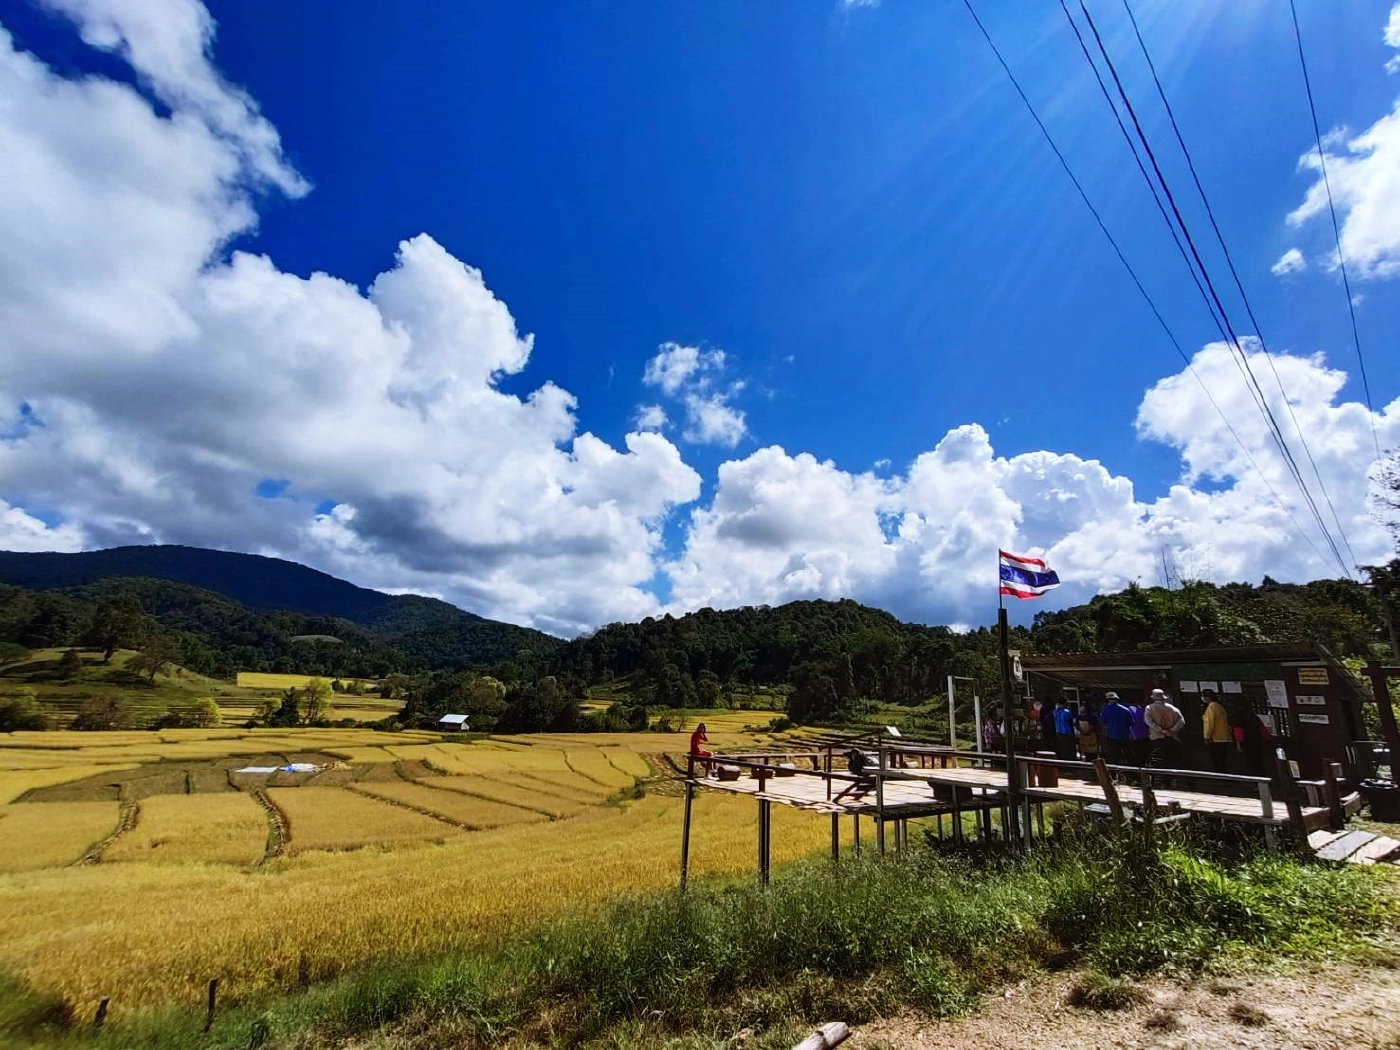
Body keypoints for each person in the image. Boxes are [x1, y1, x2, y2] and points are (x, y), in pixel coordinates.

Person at [1144, 688, 1186, 771]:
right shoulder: (1173, 708)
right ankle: (1176, 780)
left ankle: (1163, 780)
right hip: (1172, 737)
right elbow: (1182, 722)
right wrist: (1172, 730)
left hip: (1157, 738)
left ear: (1153, 698)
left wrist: (1160, 730)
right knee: (1174, 760)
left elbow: (1148, 721)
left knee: (1160, 760)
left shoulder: (1149, 708)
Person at [1201, 688, 1232, 774]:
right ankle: (1224, 776)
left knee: (1217, 759)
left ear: (1207, 697)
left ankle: (1221, 777)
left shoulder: (1212, 707)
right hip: (1223, 736)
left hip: (1216, 737)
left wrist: (1207, 736)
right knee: (1222, 759)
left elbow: (1210, 723)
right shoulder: (1219, 706)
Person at [1099, 691, 1133, 767]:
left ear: (1108, 700)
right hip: (1125, 736)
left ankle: (1115, 773)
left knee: (1114, 757)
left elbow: (1103, 721)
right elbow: (1131, 722)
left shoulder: (1106, 710)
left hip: (1112, 736)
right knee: (1129, 755)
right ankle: (1133, 773)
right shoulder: (1126, 710)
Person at [1052, 696, 1077, 763]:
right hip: (1067, 733)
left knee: (1061, 750)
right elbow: (1070, 723)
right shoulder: (1067, 712)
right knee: (1069, 751)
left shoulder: (1055, 712)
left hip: (1058, 732)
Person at [1127, 698, 1151, 767]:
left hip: (1135, 736)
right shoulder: (1143, 710)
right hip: (1145, 735)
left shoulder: (1129, 710)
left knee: (1138, 755)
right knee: (1146, 754)